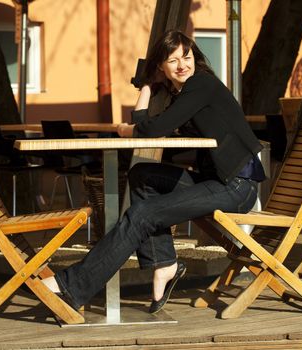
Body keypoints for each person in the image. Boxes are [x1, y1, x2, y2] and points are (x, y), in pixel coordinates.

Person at [42, 30, 265, 314]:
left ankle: (73, 285)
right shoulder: (184, 94)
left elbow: (151, 128)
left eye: (186, 56)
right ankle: (165, 263)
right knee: (142, 176)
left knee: (143, 215)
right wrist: (147, 87)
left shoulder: (202, 85)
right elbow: (148, 126)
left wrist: (129, 129)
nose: (182, 65)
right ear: (161, 67)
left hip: (236, 186)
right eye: (172, 61)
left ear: (194, 57)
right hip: (216, 181)